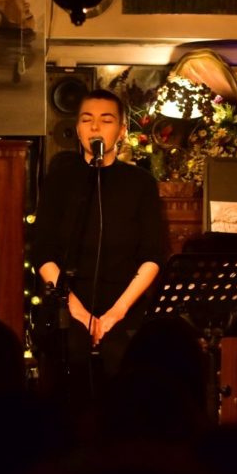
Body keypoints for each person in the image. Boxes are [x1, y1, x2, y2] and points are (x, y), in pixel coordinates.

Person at [32, 88, 165, 406]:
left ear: (121, 131)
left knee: (125, 381)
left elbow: (153, 256)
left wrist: (113, 315)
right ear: (77, 129)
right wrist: (79, 312)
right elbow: (43, 251)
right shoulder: (60, 179)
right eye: (86, 120)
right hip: (70, 309)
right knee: (69, 378)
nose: (95, 127)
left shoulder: (141, 184)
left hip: (123, 309)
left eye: (105, 120)